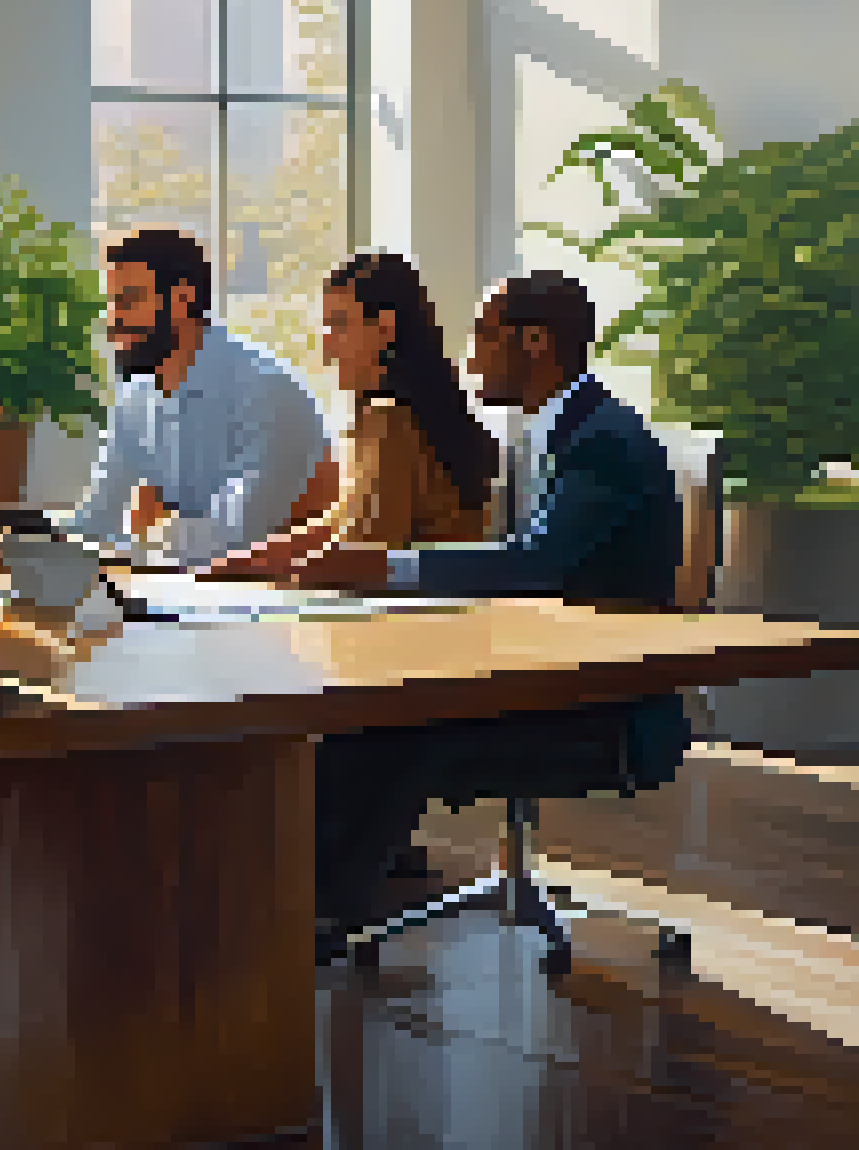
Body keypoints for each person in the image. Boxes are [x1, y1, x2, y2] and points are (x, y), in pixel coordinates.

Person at [292, 270, 691, 948]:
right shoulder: (554, 433)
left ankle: (321, 923)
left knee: (390, 730)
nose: (468, 352)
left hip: (605, 711)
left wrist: (386, 566)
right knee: (369, 717)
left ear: (535, 342)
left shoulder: (602, 444)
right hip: (547, 677)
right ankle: (321, 907)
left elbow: (530, 567)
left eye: (483, 334)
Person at [201, 252, 500, 580]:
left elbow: (361, 552)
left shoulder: (389, 419)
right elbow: (343, 520)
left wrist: (256, 570)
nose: (327, 347)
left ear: (385, 329)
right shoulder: (407, 413)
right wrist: (247, 560)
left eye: (340, 325)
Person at [62, 227, 332, 570]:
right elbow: (97, 519)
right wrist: (31, 545)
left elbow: (238, 533)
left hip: (273, 598)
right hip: (187, 592)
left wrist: (141, 544)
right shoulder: (136, 399)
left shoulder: (264, 389)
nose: (113, 321)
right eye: (112, 304)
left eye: (129, 301)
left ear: (182, 300)